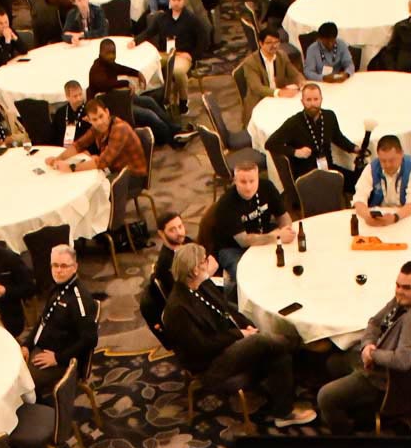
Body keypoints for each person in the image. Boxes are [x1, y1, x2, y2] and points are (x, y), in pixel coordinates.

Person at [163, 242, 316, 426]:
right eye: (204, 260)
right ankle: (300, 344)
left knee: (279, 356)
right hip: (210, 364)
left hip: (224, 344)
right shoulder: (178, 309)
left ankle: (283, 412)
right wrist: (239, 334)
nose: (209, 262)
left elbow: (226, 310)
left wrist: (245, 327)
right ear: (195, 270)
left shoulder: (201, 285)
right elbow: (202, 347)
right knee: (261, 341)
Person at [318, 263, 411, 433]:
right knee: (333, 362)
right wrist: (368, 345)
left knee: (325, 397)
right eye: (398, 285)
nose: (399, 291)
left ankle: (349, 440)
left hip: (386, 381)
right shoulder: (400, 300)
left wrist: (372, 355)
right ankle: (359, 410)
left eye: (406, 288)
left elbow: (403, 360)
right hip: (374, 360)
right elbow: (374, 322)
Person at [22, 243, 98, 399]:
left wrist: (58, 358)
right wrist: (27, 345)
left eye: (64, 266)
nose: (58, 270)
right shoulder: (58, 286)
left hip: (63, 360)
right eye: (55, 265)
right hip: (43, 348)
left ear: (75, 267)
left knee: (23, 382)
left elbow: (90, 339)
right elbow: (43, 320)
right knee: (13, 365)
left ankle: (37, 408)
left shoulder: (79, 298)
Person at [88, 38, 192, 147]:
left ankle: (175, 129)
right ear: (101, 53)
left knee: (149, 101)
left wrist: (137, 73)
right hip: (112, 107)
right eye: (108, 53)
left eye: (113, 53)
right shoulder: (96, 70)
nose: (111, 56)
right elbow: (105, 84)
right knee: (148, 114)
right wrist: (125, 83)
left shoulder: (108, 64)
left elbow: (120, 68)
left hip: (119, 98)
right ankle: (171, 138)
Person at [211, 159, 294, 287]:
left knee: (287, 260)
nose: (248, 187)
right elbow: (243, 241)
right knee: (247, 278)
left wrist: (286, 229)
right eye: (243, 182)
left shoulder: (267, 187)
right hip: (233, 248)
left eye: (252, 181)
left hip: (263, 233)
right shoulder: (226, 204)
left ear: (258, 179)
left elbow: (283, 216)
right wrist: (277, 236)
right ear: (235, 181)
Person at [265, 82, 359, 187]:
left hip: (328, 169)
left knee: (359, 180)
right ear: (302, 101)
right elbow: (270, 143)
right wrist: (296, 152)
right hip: (306, 175)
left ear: (321, 100)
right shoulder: (294, 123)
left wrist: (354, 148)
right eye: (308, 100)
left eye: (316, 99)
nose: (312, 103)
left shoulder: (329, 116)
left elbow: (338, 137)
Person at [132, 0, 203, 113]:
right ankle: (156, 97)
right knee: (149, 65)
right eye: (173, 0)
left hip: (182, 55)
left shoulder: (192, 19)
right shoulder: (162, 18)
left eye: (179, 0)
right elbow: (149, 32)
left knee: (178, 71)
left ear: (184, 0)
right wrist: (135, 41)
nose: (176, 3)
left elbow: (203, 39)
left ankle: (183, 101)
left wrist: (192, 55)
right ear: (169, 0)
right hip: (164, 53)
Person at [47, 98, 147, 179]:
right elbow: (79, 145)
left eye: (101, 116)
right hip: (115, 168)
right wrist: (57, 159)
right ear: (89, 120)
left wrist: (71, 167)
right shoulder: (96, 128)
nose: (99, 122)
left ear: (107, 112)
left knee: (90, 186)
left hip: (131, 176)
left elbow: (103, 162)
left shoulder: (120, 128)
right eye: (94, 119)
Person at [240, 26, 304, 123]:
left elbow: (294, 74)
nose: (274, 46)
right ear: (261, 43)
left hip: (279, 101)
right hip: (259, 102)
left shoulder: (281, 55)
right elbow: (256, 88)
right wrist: (278, 92)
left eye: (276, 42)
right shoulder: (251, 62)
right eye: (269, 43)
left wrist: (301, 81)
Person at [353, 135, 411, 227]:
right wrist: (367, 216)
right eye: (383, 161)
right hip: (378, 220)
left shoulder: (409, 167)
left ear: (401, 154)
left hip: (404, 218)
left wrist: (395, 217)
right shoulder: (372, 168)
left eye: (391, 160)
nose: (387, 165)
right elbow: (359, 198)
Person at [154, 210, 192, 295]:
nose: (179, 233)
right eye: (172, 230)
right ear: (161, 233)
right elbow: (178, 291)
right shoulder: (166, 262)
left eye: (180, 226)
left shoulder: (187, 241)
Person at [52, 81, 91, 147]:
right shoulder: (60, 113)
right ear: (67, 97)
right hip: (62, 148)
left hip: (83, 148)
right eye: (75, 96)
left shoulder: (88, 111)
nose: (79, 98)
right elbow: (54, 135)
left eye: (80, 94)